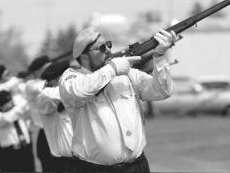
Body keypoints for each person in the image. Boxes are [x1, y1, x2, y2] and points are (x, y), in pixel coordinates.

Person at [59, 27, 177, 172]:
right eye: (101, 48)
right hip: (94, 168)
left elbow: (162, 91)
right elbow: (79, 92)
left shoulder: (125, 73)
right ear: (84, 56)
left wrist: (160, 55)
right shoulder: (71, 77)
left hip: (137, 166)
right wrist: (112, 69)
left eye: (108, 44)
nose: (108, 50)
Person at [36, 59, 75, 171]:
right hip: (65, 162)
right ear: (57, 80)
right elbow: (67, 91)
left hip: (85, 158)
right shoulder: (46, 95)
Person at [24, 55, 57, 171]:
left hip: (60, 130)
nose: (52, 70)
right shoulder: (31, 85)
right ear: (37, 72)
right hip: (46, 134)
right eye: (48, 68)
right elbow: (43, 86)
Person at [0, 90, 35, 172]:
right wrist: (20, 107)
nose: (11, 103)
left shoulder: (15, 110)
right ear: (0, 106)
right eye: (8, 102)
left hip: (25, 147)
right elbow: (9, 118)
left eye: (11, 100)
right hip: (10, 152)